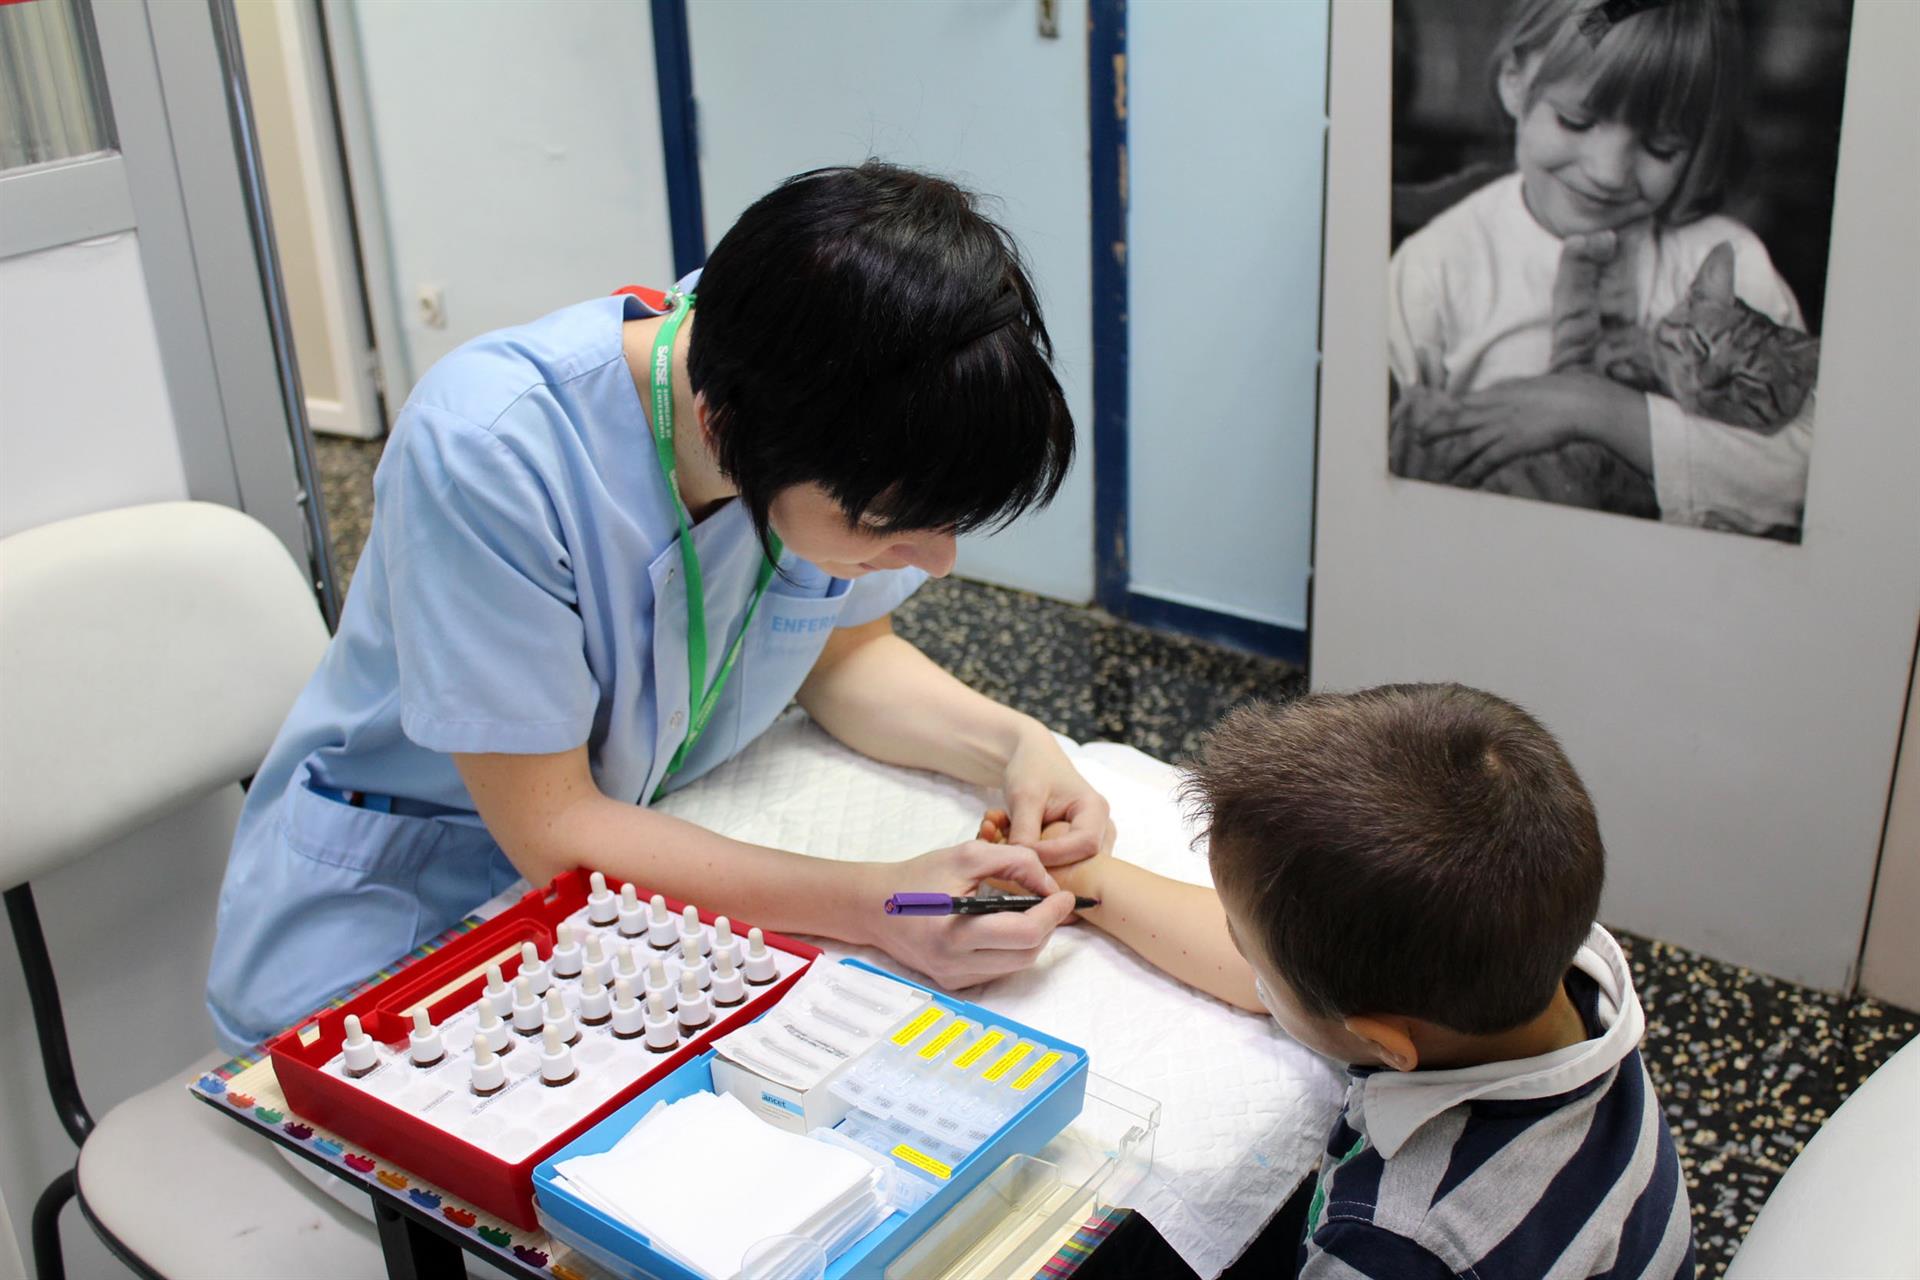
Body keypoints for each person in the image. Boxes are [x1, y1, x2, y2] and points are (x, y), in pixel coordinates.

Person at [206, 163, 1111, 1052]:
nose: (940, 563)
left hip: (620, 898)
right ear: (723, 430)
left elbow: (843, 656)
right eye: (885, 525)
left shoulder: (815, 373)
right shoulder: (491, 454)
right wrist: (879, 903)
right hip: (398, 937)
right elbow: (555, 833)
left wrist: (1016, 747)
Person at [1052, 685, 1695, 1277]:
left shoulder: (1396, 1244)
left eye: (1247, 949)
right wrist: (1090, 884)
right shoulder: (1562, 968)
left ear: (1384, 1042)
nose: (1237, 954)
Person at [1390, 0, 1813, 537]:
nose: (1609, 174)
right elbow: (1368, 455)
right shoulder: (1436, 265)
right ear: (1515, 83)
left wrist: (1595, 409)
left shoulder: (1727, 259)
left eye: (1661, 148)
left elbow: (1804, 480)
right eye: (1577, 121)